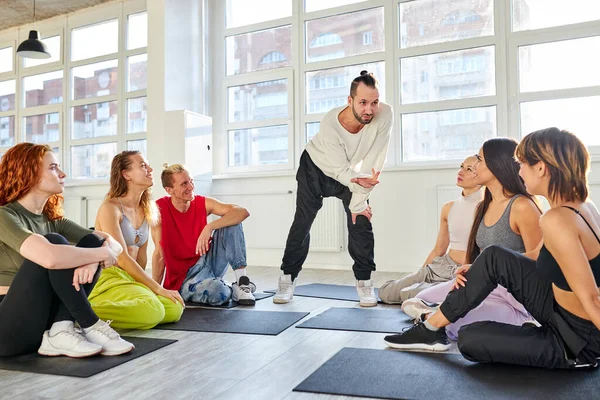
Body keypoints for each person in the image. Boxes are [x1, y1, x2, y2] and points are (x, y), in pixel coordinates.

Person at [384, 128, 600, 369]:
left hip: (574, 340)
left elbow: (592, 297)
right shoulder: (580, 206)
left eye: (523, 164)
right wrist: (480, 271)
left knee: (468, 338)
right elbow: (537, 256)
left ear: (541, 168)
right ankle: (430, 329)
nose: (519, 171)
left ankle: (433, 327)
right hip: (556, 309)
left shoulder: (558, 219)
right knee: (493, 256)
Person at [398, 137, 543, 341]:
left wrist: (490, 271)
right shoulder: (483, 206)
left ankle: (436, 318)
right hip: (482, 287)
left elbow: (538, 262)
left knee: (453, 323)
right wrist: (471, 270)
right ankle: (432, 316)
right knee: (414, 301)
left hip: (512, 298)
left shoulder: (522, 207)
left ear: (497, 165)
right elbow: (480, 257)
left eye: (479, 159)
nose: (474, 166)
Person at [0, 143, 133, 358]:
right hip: (7, 329)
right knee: (54, 242)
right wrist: (101, 255)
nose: (63, 174)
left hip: (42, 321)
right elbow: (50, 258)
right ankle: (90, 323)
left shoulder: (52, 219)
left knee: (91, 240)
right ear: (29, 173)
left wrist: (94, 258)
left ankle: (61, 329)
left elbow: (113, 244)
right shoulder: (4, 216)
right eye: (53, 168)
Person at [274, 70, 393, 307]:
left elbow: (376, 158)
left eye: (374, 102)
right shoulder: (331, 122)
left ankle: (364, 282)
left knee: (360, 219)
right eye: (363, 103)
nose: (369, 109)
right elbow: (338, 170)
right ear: (350, 101)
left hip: (350, 172)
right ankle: (287, 278)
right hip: (316, 168)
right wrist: (357, 187)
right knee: (303, 221)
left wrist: (359, 203)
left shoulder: (385, 113)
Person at [88, 151, 184, 330]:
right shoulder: (110, 208)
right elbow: (122, 258)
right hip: (108, 278)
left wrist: (147, 287)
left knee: (174, 308)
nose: (150, 169)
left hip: (129, 278)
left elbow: (141, 258)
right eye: (142, 166)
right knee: (153, 310)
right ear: (126, 174)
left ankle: (134, 309)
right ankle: (77, 312)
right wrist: (157, 288)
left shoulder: (145, 210)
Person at [378, 156, 483, 304]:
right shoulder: (449, 207)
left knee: (409, 294)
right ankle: (425, 292)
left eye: (469, 169)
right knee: (386, 293)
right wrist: (420, 273)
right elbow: (439, 249)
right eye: (461, 166)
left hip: (462, 273)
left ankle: (427, 294)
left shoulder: (486, 208)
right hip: (440, 266)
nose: (460, 172)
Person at [152, 164, 255, 306]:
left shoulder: (202, 202)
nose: (191, 187)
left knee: (232, 222)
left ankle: (242, 282)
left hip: (209, 261)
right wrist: (155, 291)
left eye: (191, 181)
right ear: (169, 190)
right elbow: (159, 254)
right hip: (186, 278)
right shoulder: (158, 209)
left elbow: (242, 212)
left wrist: (210, 227)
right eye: (184, 184)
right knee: (219, 293)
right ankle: (224, 288)